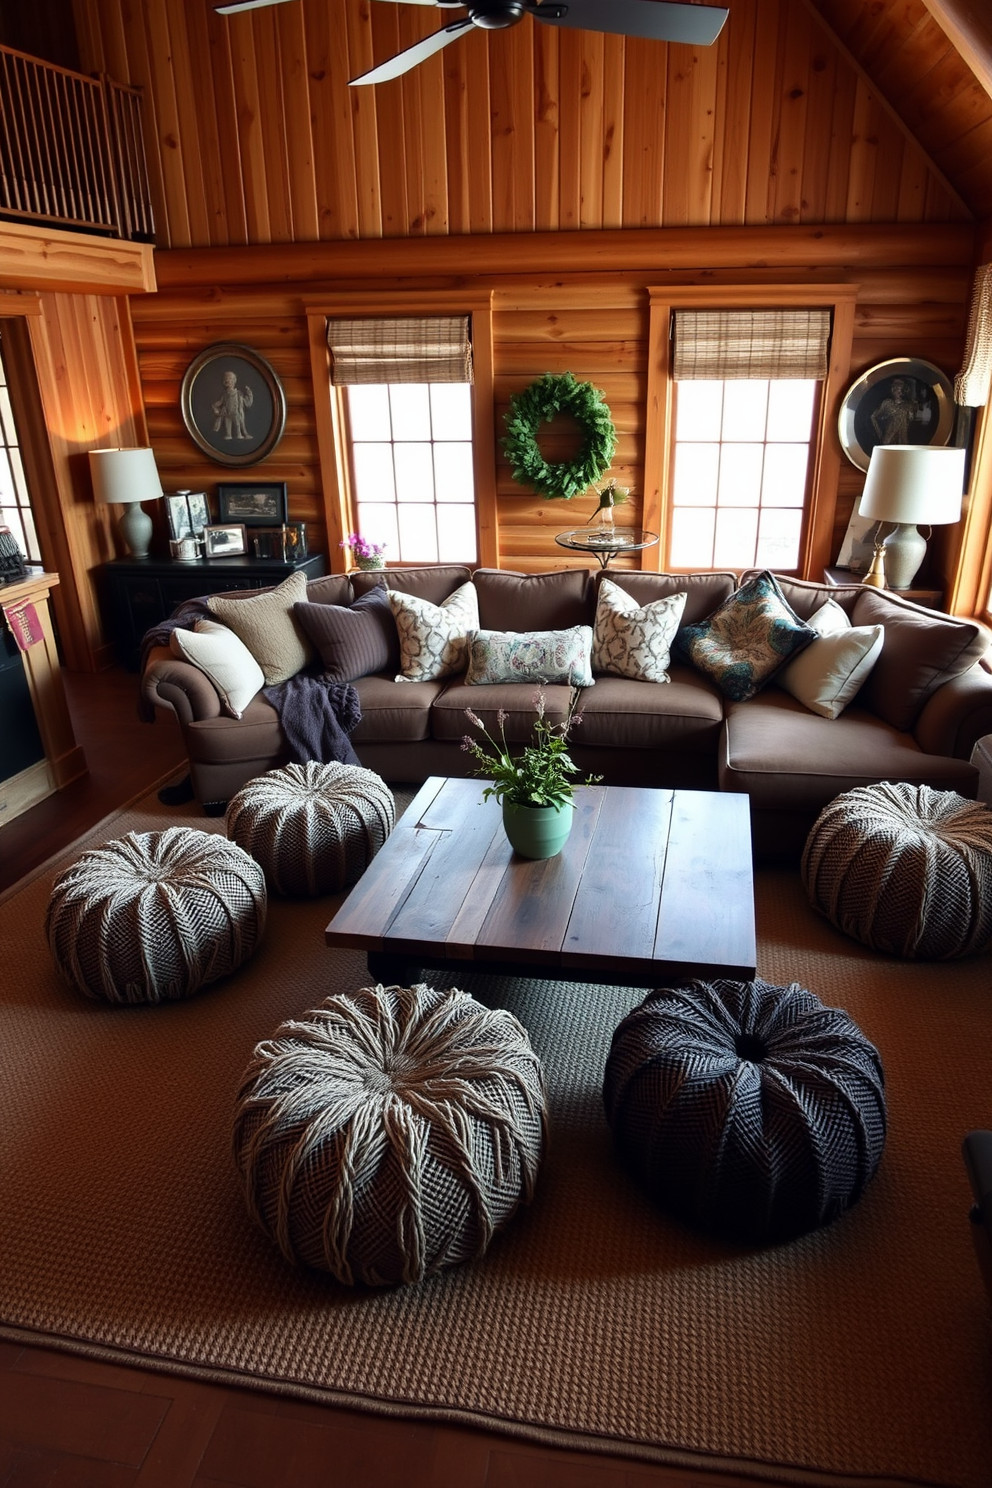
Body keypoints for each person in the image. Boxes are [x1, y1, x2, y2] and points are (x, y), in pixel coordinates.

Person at [870, 376, 929, 446]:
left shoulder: (908, 405)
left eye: (901, 389)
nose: (899, 392)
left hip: (903, 437)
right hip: (889, 436)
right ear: (893, 390)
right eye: (896, 389)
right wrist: (879, 434)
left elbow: (911, 418)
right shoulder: (887, 403)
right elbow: (873, 416)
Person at [212, 369, 253, 440]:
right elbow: (220, 402)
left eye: (230, 378)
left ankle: (239, 434)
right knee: (228, 426)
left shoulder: (238, 393)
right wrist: (215, 406)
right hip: (227, 414)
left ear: (234, 381)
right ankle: (228, 434)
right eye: (226, 378)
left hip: (236, 413)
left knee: (238, 425)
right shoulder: (225, 394)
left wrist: (249, 394)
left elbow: (247, 403)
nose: (228, 380)